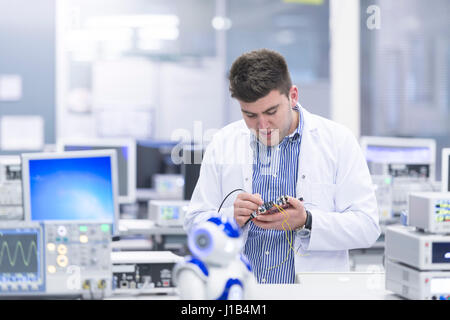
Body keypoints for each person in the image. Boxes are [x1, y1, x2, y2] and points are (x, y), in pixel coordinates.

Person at [184, 48, 380, 284]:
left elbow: (367, 227)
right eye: (250, 115)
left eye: (271, 111)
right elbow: (194, 221)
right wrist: (229, 218)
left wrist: (307, 220)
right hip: (243, 292)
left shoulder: (338, 142)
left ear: (293, 95)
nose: (262, 125)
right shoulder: (224, 142)